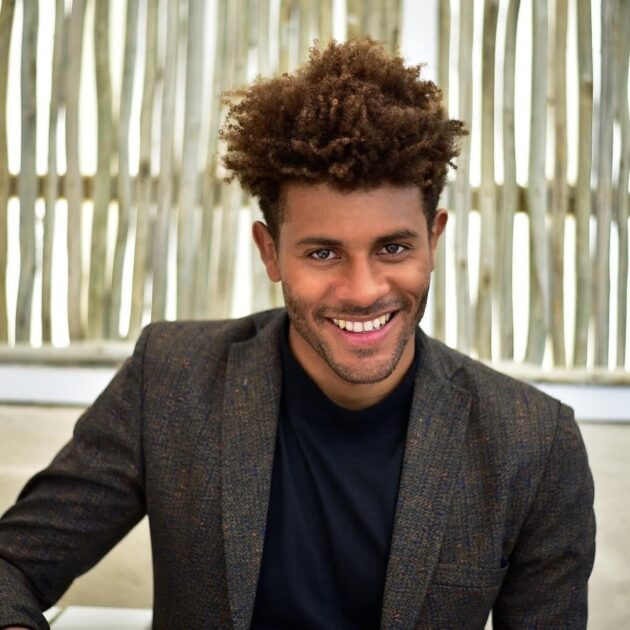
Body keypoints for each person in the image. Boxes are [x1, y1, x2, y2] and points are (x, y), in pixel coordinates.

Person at [0, 38, 595, 629]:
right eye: (323, 253)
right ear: (270, 252)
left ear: (433, 239)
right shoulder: (170, 380)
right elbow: (12, 566)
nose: (363, 290)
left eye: (393, 248)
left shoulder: (532, 444)